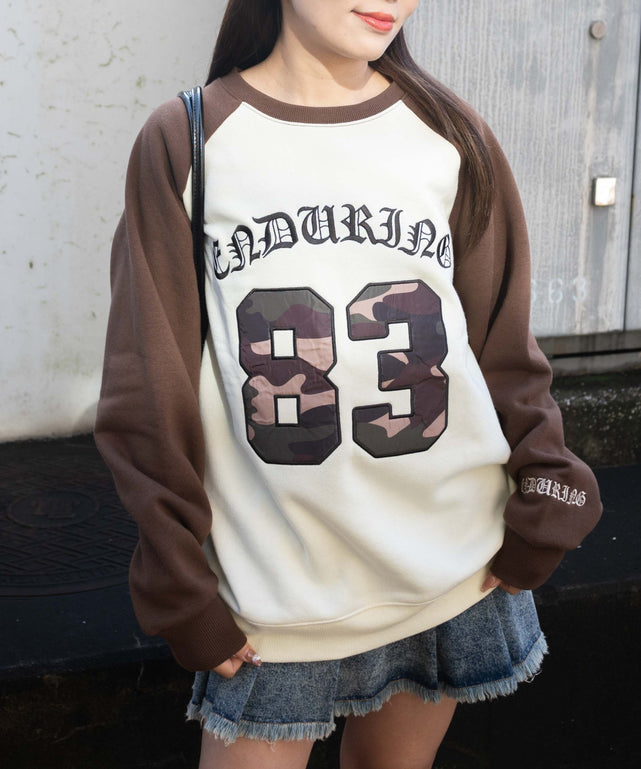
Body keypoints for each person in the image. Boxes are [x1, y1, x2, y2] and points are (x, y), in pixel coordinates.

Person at [95, 1, 603, 767]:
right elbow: (147, 388)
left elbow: (500, 348)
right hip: (275, 594)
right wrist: (177, 580)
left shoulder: (447, 131)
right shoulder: (189, 139)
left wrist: (546, 494)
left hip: (454, 570)